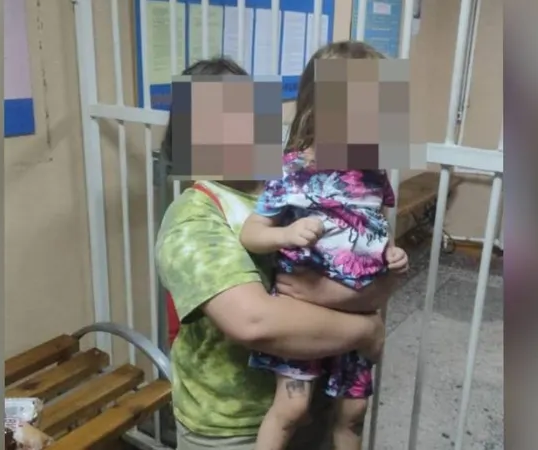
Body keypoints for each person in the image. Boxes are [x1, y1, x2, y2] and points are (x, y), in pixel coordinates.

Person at [156, 56, 409, 450]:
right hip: (234, 429)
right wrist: (367, 330)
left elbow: (375, 279)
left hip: (314, 397)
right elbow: (255, 322)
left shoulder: (292, 183)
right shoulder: (194, 215)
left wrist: (341, 290)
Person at [238, 41, 407, 450]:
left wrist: (391, 252)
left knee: (353, 413)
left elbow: (375, 227)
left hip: (359, 311)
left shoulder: (374, 173)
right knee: (291, 410)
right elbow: (251, 232)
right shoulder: (291, 171)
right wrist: (285, 235)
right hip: (305, 316)